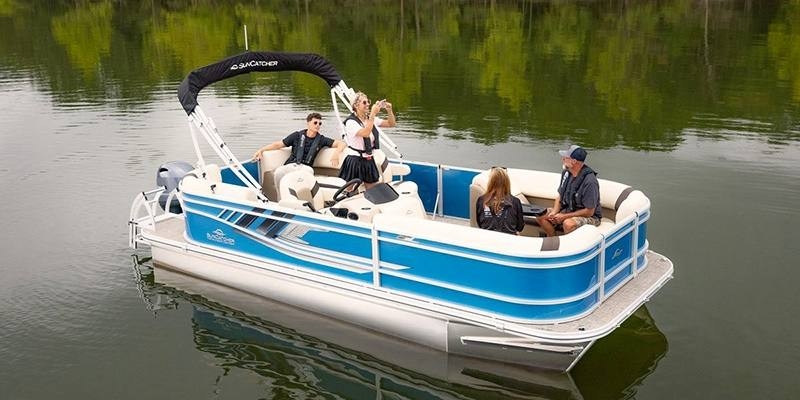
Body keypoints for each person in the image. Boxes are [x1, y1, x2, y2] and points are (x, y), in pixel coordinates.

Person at [536, 145, 602, 236]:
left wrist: (564, 216)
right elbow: (560, 197)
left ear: (574, 161)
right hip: (568, 210)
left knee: (568, 224)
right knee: (540, 215)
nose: (563, 159)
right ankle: (552, 239)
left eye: (566, 158)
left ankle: (568, 244)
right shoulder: (566, 173)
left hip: (591, 217)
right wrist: (554, 212)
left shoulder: (590, 182)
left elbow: (589, 212)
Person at [338, 92, 396, 188]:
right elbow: (366, 133)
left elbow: (391, 124)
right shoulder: (351, 122)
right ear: (356, 105)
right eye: (364, 102)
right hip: (355, 160)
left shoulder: (370, 119)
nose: (368, 104)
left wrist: (389, 110)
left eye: (368, 101)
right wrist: (372, 114)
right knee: (350, 190)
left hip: (368, 159)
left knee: (372, 190)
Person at [252, 112, 345, 167]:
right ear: (308, 123)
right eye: (315, 122)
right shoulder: (296, 135)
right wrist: (261, 150)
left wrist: (335, 154)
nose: (317, 125)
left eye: (320, 123)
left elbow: (341, 144)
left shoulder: (321, 139)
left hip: (306, 168)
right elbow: (278, 144)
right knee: (278, 174)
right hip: (291, 165)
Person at [475, 167, 524, 235]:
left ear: (490, 182)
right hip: (509, 239)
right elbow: (520, 227)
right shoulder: (515, 201)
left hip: (486, 237)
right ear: (507, 182)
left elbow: (479, 223)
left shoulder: (481, 200)